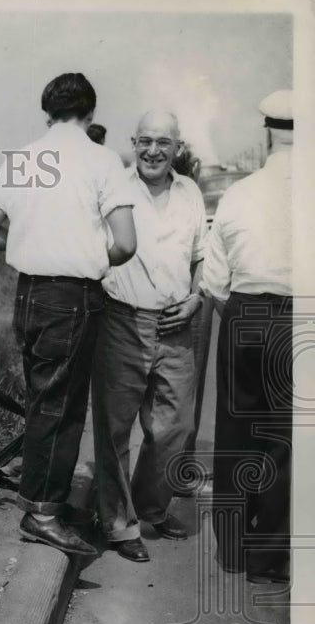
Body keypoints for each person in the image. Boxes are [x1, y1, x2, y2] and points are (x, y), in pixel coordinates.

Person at [0, 72, 137, 556]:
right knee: (62, 407)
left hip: (28, 293)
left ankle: (42, 497)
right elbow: (126, 242)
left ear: (48, 111)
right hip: (71, 295)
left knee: (42, 397)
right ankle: (42, 512)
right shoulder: (101, 159)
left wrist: (27, 246)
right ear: (89, 113)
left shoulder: (23, 157)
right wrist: (88, 254)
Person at [91, 112, 207, 562]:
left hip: (178, 323)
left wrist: (197, 297)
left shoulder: (190, 192)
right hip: (122, 320)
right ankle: (120, 526)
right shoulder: (113, 188)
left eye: (162, 142)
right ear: (132, 143)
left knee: (176, 426)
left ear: (177, 147)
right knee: (115, 427)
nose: (153, 151)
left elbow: (201, 255)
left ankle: (150, 506)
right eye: (144, 141)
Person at [200, 89, 293, 584]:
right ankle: (267, 557)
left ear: (267, 134)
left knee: (236, 433)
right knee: (285, 444)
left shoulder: (240, 192)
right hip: (299, 321)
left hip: (244, 312)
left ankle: (232, 551)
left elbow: (213, 281)